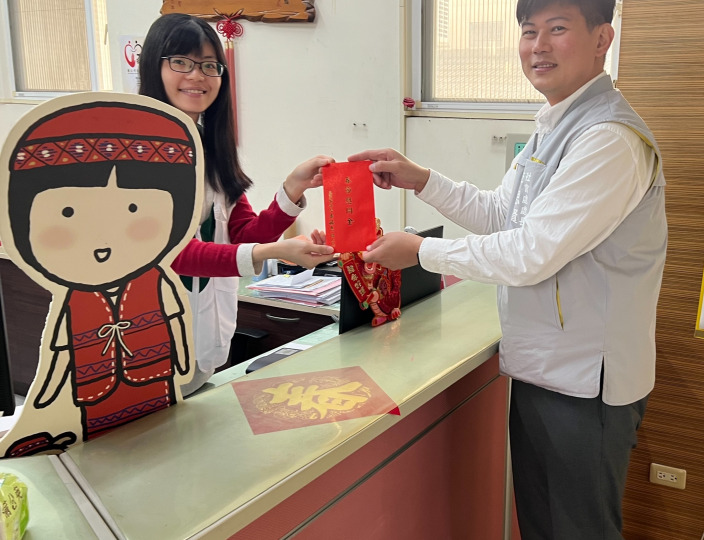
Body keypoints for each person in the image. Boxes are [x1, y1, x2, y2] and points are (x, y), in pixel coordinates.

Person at [350, 0, 667, 537]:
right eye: (528, 31)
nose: (538, 46)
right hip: (546, 368)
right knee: (542, 527)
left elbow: (529, 253)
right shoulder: (555, 125)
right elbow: (503, 215)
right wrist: (421, 179)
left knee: (577, 531)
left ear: (602, 39)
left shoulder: (608, 139)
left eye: (557, 29)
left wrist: (421, 253)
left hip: (586, 384)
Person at [138, 14, 336, 394]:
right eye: (181, 62)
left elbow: (244, 233)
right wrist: (272, 252)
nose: (197, 76)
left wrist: (292, 188)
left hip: (206, 334)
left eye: (209, 65)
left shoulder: (210, 147)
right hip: (151, 335)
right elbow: (171, 253)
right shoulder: (138, 152)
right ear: (153, 66)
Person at [1, 99, 200, 454]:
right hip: (94, 396)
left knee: (161, 444)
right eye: (67, 212)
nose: (103, 241)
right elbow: (61, 352)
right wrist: (45, 396)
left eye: (134, 208)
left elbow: (175, 322)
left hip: (155, 384)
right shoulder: (73, 299)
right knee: (101, 453)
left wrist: (183, 364)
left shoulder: (158, 281)